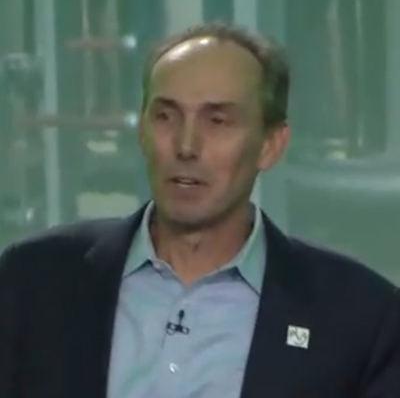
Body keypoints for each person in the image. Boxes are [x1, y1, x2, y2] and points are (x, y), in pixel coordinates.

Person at [0, 22, 399, 398]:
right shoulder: (33, 280)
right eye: (166, 117)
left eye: (218, 121)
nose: (186, 145)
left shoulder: (361, 320)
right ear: (141, 131)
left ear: (270, 145)